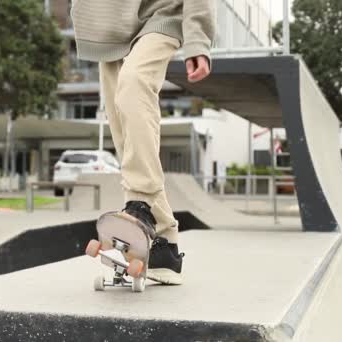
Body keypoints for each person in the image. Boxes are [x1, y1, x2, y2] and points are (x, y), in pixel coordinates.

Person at [72, 0, 215, 285]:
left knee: (134, 83)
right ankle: (166, 247)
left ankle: (140, 204)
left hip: (161, 15)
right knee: (125, 131)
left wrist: (198, 40)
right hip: (111, 29)